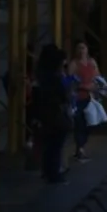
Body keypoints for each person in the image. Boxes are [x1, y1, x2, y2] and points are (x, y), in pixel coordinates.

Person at [32, 45, 73, 185]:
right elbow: (63, 95)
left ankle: (47, 171)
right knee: (56, 146)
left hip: (44, 114)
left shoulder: (40, 75)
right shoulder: (55, 78)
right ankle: (54, 174)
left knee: (49, 145)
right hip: (56, 114)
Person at [68, 41, 100, 162]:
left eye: (83, 48)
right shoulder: (74, 64)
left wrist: (94, 86)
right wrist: (82, 86)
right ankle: (80, 148)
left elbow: (98, 78)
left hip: (90, 98)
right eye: (79, 48)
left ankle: (81, 146)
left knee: (90, 123)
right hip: (78, 98)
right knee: (79, 123)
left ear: (87, 49)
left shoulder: (92, 62)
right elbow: (70, 81)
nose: (82, 50)